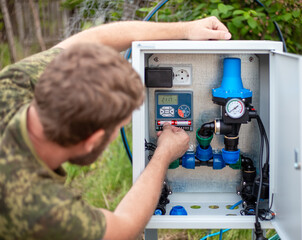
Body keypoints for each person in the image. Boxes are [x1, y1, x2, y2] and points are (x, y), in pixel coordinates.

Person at [0, 17, 231, 240]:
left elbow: (95, 38)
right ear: (92, 139)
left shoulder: (12, 84)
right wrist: (163, 155)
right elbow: (123, 227)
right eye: (117, 129)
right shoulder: (36, 208)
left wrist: (187, 30)